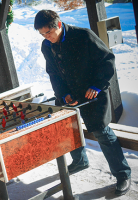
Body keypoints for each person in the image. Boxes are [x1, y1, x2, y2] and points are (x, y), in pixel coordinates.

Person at [34, 10, 131, 196]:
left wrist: (97, 84)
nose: (46, 37)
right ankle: (79, 161)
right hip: (69, 95)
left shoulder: (84, 35)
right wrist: (64, 94)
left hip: (92, 93)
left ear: (59, 25)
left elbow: (108, 60)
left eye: (48, 33)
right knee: (68, 128)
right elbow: (53, 73)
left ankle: (123, 175)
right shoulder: (47, 46)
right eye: (42, 34)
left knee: (101, 132)